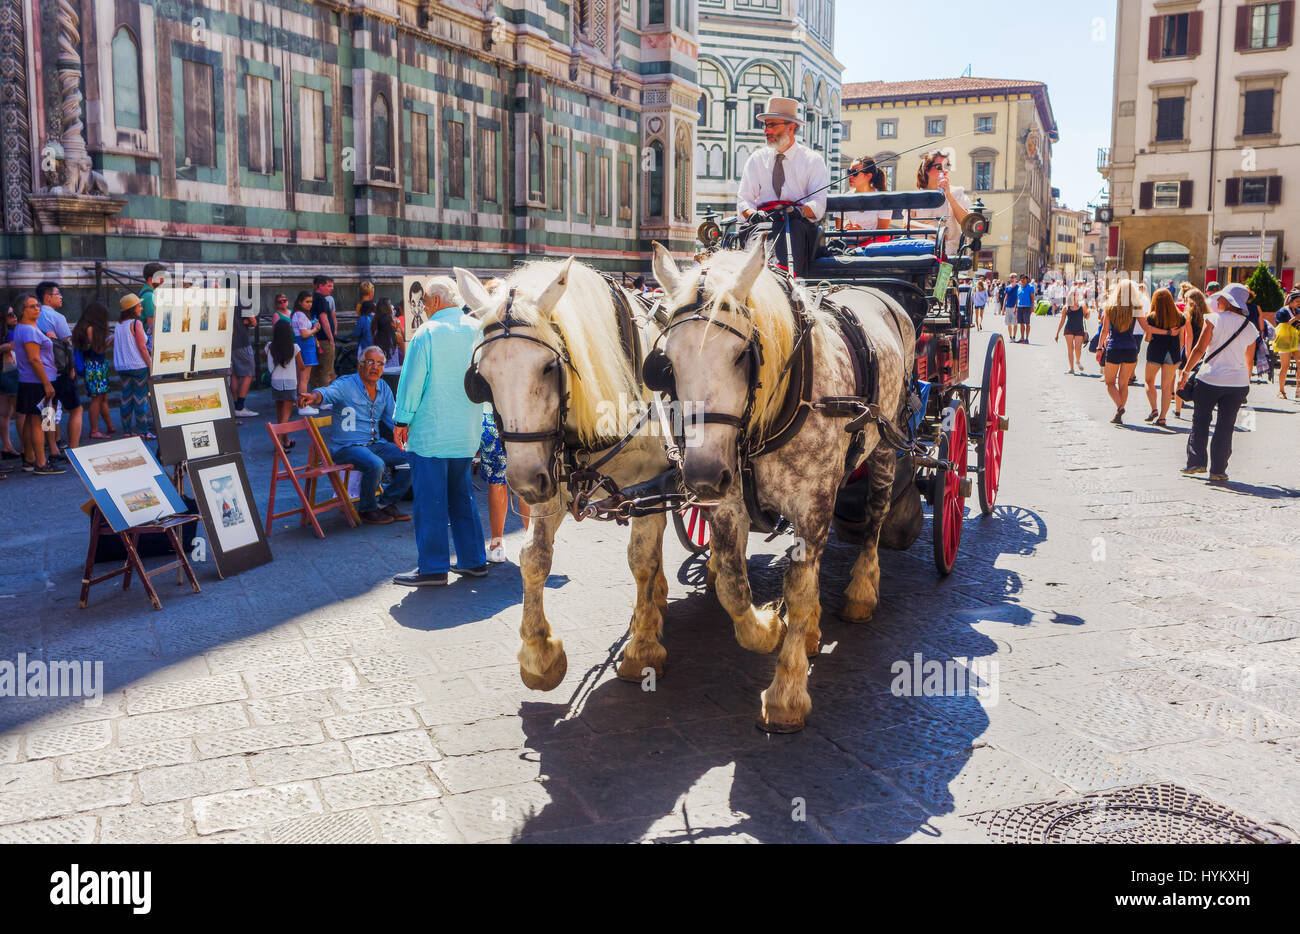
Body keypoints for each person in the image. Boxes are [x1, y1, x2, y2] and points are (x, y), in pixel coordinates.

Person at [392, 277, 486, 586]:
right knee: (462, 497)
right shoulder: (477, 330)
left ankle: (432, 567)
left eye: (425, 303)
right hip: (467, 430)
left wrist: (401, 420)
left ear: (433, 301)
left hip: (432, 433)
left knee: (430, 502)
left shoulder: (427, 333)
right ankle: (473, 559)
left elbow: (411, 382)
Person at [299, 345, 412, 525]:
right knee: (376, 464)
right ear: (360, 365)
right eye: (370, 362)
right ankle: (367, 509)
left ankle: (386, 503)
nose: (375, 367)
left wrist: (414, 436)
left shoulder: (383, 388)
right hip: (347, 447)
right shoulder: (346, 384)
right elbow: (327, 393)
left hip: (374, 444)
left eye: (380, 363)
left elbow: (394, 420)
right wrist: (313, 396)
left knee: (413, 456)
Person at [736, 96, 829, 277]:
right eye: (766, 125)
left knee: (792, 229)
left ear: (791, 127)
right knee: (753, 238)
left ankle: (784, 279)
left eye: (773, 125)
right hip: (762, 222)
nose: (766, 131)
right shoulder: (756, 159)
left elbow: (818, 204)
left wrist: (799, 211)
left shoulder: (812, 161)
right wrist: (752, 214)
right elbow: (744, 200)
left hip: (795, 223)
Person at [1179, 284, 1259, 483]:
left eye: (1222, 298)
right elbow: (1249, 360)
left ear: (1228, 301)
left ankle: (1196, 462)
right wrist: (1245, 381)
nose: (1218, 301)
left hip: (1209, 378)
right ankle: (1218, 470)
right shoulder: (1250, 327)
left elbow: (1199, 349)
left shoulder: (1213, 319)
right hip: (1237, 382)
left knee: (1201, 421)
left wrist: (1185, 372)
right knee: (1225, 426)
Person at [11, 293, 64, 474]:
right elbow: (34, 359)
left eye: (37, 305)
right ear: (22, 310)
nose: (37, 308)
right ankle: (41, 463)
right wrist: (47, 384)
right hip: (38, 380)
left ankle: (29, 458)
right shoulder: (29, 330)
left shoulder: (23, 328)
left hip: (29, 380)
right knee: (37, 421)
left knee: (30, 420)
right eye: (32, 306)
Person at [35, 280, 81, 459]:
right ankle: (74, 450)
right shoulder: (57, 317)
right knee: (76, 409)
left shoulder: (34, 317)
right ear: (47, 297)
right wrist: (72, 369)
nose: (61, 297)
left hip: (43, 370)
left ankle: (52, 446)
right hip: (60, 370)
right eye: (58, 294)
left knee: (49, 409)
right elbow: (67, 344)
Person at [908, 149, 973, 259]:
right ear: (926, 170)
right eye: (939, 167)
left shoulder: (956, 193)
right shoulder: (916, 196)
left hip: (948, 253)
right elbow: (907, 224)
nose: (944, 170)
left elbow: (965, 222)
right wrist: (934, 230)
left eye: (946, 166)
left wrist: (949, 196)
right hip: (920, 252)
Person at [1096, 279, 1142, 424]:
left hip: (1114, 347)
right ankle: (1118, 413)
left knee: (1109, 382)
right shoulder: (1135, 307)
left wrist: (1099, 348)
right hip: (1131, 348)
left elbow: (1104, 330)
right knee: (1123, 384)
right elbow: (1146, 326)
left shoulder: (1110, 308)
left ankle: (1120, 407)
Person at [71, 301, 115, 439]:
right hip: (95, 367)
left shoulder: (84, 327)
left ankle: (110, 426)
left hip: (96, 366)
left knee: (102, 397)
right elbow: (98, 349)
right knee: (97, 399)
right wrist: (109, 341)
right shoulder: (90, 328)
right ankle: (94, 430)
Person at [1141, 289, 1185, 427]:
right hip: (1173, 353)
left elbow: (1148, 338)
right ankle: (1162, 418)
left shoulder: (1151, 317)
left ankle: (1154, 409)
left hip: (1155, 351)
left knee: (1149, 381)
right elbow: (1182, 339)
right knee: (1166, 387)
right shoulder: (1180, 317)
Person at [113, 293, 154, 439]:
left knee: (126, 398)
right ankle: (143, 431)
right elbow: (142, 348)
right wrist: (151, 365)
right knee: (140, 399)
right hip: (138, 365)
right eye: (139, 306)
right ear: (132, 308)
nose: (141, 308)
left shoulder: (119, 325)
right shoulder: (136, 324)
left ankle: (126, 430)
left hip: (122, 367)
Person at [265, 318, 302, 442]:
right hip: (290, 382)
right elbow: (302, 366)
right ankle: (278, 444)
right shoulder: (294, 347)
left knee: (280, 414)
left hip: (275, 382)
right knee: (286, 417)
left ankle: (285, 441)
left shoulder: (269, 346)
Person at [1174, 287, 1209, 419]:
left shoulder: (1187, 315)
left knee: (1181, 380)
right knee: (1200, 382)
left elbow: (1188, 336)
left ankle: (1178, 410)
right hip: (1203, 350)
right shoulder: (1208, 315)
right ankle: (1198, 409)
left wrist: (1188, 353)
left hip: (1191, 349)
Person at [840, 156, 891, 235]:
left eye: (855, 172)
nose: (850, 176)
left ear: (869, 176)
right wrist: (845, 226)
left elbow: (881, 235)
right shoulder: (843, 199)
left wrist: (862, 234)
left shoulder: (883, 199)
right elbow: (838, 232)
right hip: (848, 245)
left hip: (872, 246)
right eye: (849, 172)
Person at [290, 290, 319, 414]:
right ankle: (303, 405)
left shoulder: (299, 314)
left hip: (305, 346)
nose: (309, 304)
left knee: (302, 377)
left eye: (311, 302)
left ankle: (301, 403)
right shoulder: (300, 315)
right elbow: (304, 333)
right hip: (305, 346)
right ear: (300, 302)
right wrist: (315, 330)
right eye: (307, 301)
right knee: (304, 378)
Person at [230, 294, 258, 418]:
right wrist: (247, 322)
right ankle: (240, 406)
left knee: (234, 374)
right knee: (248, 373)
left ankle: (236, 405)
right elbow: (253, 321)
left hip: (228, 342)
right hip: (241, 341)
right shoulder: (242, 300)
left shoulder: (221, 300)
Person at [309, 275, 337, 392]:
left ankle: (315, 394)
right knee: (327, 369)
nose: (331, 289)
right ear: (320, 286)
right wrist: (331, 338)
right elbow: (324, 319)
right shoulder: (321, 299)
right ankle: (325, 398)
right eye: (329, 286)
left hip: (315, 338)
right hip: (324, 339)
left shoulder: (313, 298)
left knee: (316, 369)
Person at [371, 299, 405, 395]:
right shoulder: (396, 336)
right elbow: (405, 352)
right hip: (394, 370)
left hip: (381, 370)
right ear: (390, 323)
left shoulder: (376, 335)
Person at [0, 305, 21, 459]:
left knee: (5, 412)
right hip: (9, 373)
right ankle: (32, 452)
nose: (14, 317)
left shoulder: (15, 330)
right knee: (21, 412)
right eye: (10, 314)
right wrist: (7, 346)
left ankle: (7, 446)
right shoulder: (10, 333)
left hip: (8, 372)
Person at [1055, 282, 1089, 374]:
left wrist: (1087, 313)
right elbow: (1062, 321)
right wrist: (1057, 333)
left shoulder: (1082, 306)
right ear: (1070, 297)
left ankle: (1077, 361)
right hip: (1069, 329)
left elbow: (1087, 317)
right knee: (1070, 348)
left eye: (1077, 295)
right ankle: (1071, 368)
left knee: (1078, 348)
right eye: (1074, 295)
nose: (1076, 297)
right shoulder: (1066, 308)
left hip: (1079, 329)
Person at [1274, 305, 1300, 400]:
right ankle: (1281, 391)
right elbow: (1281, 326)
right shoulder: (1283, 312)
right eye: (1297, 301)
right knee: (1285, 366)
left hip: (1297, 339)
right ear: (1291, 301)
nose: (1299, 303)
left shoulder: (1298, 310)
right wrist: (1295, 319)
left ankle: (1298, 389)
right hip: (1285, 340)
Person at [139, 262, 166, 339]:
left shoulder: (145, 291)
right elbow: (152, 326)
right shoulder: (150, 296)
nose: (163, 281)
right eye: (160, 278)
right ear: (151, 279)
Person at [353, 298, 376, 363]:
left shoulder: (363, 319)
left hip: (365, 347)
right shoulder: (377, 318)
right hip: (377, 348)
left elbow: (356, 333)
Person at [1015, 273, 1036, 343]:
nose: (1022, 280)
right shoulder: (1019, 287)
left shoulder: (1031, 287)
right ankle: (1022, 338)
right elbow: (1017, 298)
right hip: (1019, 307)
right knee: (1021, 323)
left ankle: (1026, 338)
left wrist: (1032, 307)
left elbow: (1032, 297)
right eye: (1021, 278)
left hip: (1027, 307)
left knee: (1027, 323)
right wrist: (1015, 308)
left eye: (1024, 278)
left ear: (1027, 279)